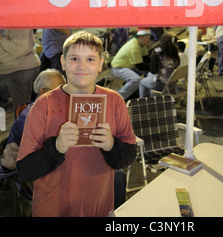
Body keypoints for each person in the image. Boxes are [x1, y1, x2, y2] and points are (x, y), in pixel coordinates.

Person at [16, 31, 136, 217]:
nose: (82, 66)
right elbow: (24, 171)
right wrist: (57, 147)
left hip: (99, 208)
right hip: (53, 209)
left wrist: (112, 145)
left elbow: (128, 156)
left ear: (100, 63)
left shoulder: (114, 101)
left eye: (90, 59)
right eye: (74, 59)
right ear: (63, 62)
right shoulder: (44, 104)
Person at [1, 69, 65, 171]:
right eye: (57, 91)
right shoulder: (33, 115)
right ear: (42, 92)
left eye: (64, 89)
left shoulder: (48, 107)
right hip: (24, 160)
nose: (62, 95)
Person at [0, 30, 41, 108]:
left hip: (20, 69)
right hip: (9, 68)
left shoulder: (19, 27)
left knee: (21, 107)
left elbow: (19, 50)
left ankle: (23, 119)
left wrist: (1, 38)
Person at [111, 28, 153, 100]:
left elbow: (146, 58)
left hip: (128, 66)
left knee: (145, 75)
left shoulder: (141, 44)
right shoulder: (134, 46)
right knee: (136, 79)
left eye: (149, 38)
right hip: (118, 68)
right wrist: (155, 68)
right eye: (147, 37)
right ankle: (118, 98)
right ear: (140, 37)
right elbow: (140, 66)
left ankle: (140, 95)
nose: (148, 40)